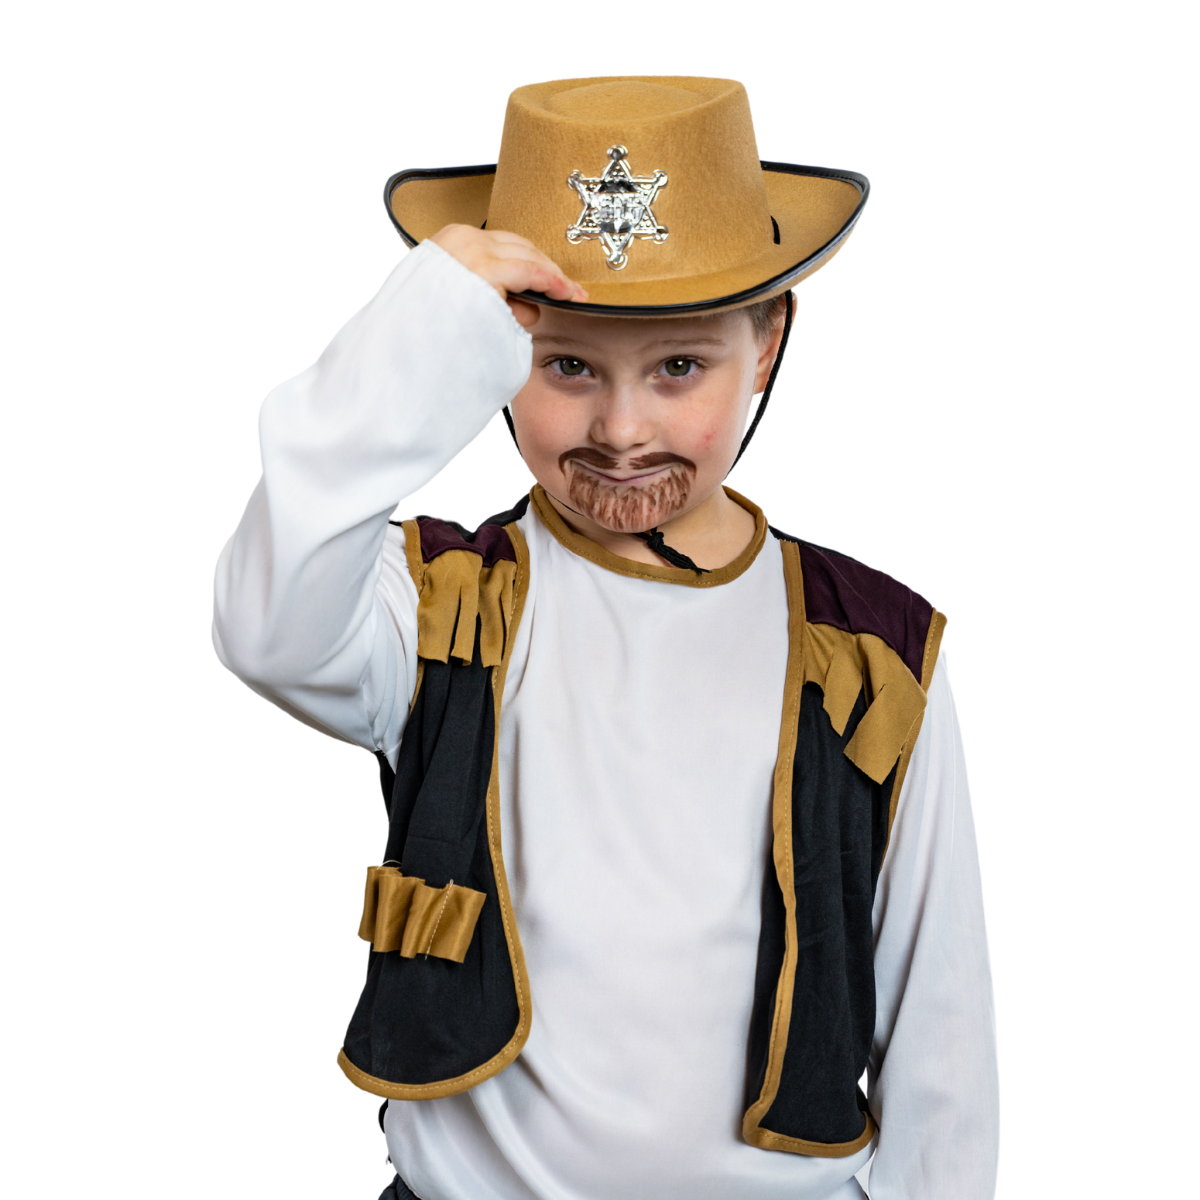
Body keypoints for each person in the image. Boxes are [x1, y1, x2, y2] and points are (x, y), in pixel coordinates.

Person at [213, 76, 998, 1200]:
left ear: (767, 342)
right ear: (497, 356)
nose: (622, 431)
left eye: (680, 367)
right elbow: (266, 625)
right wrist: (421, 332)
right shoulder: (435, 604)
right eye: (567, 365)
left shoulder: (874, 651)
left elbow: (942, 1041)